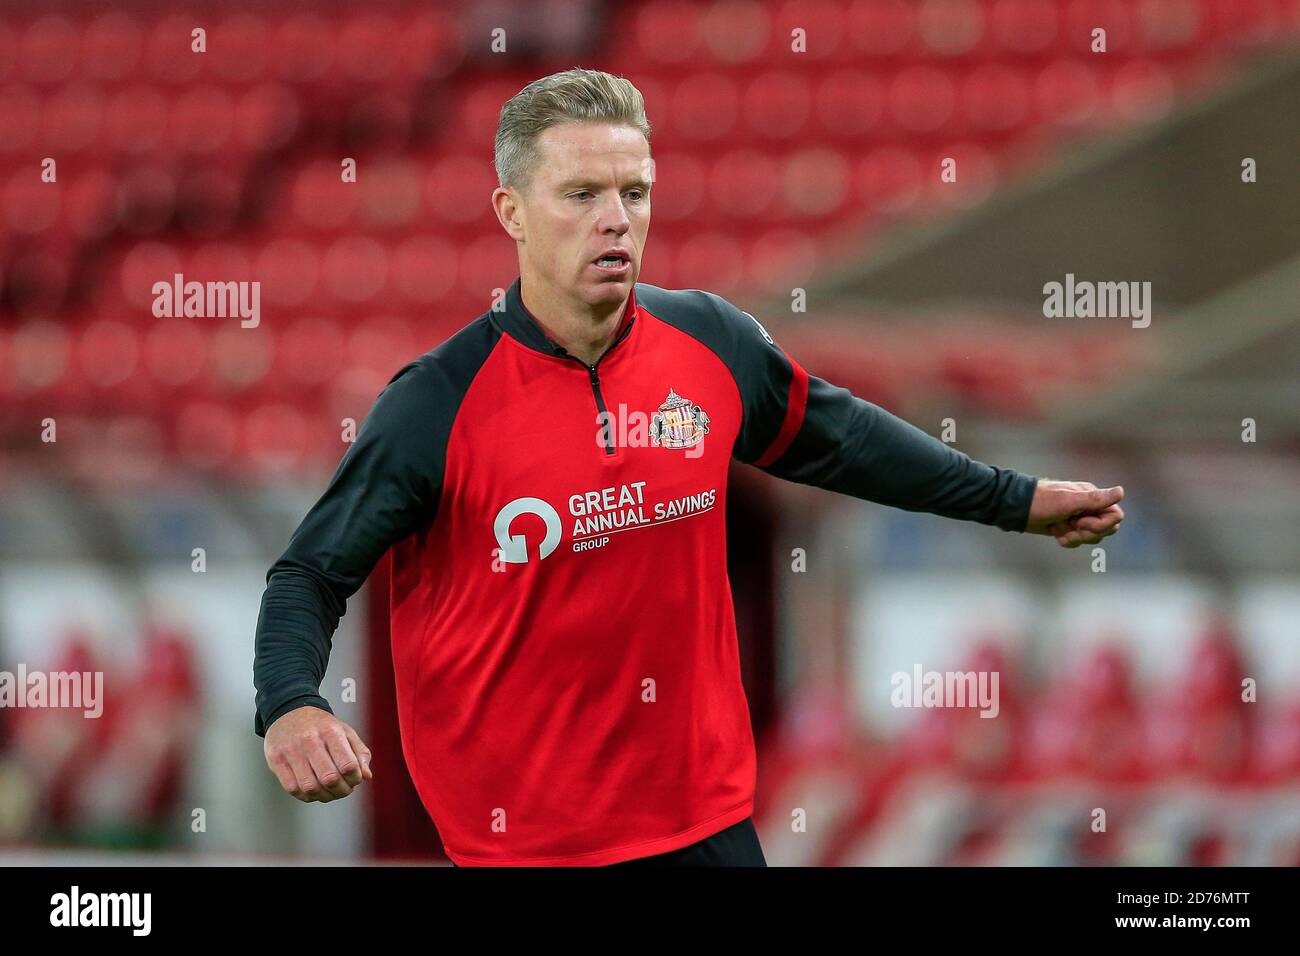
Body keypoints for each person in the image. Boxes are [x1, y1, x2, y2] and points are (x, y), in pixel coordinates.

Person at [253, 68, 1125, 867]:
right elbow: (308, 574)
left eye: (635, 193)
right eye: (582, 194)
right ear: (512, 211)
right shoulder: (435, 405)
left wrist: (1016, 501)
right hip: (523, 852)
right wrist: (291, 700)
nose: (615, 219)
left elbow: (848, 441)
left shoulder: (711, 343)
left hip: (706, 832)